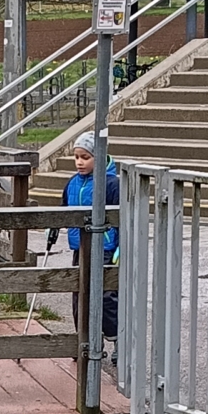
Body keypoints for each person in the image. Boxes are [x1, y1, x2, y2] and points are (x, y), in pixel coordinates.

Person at [63, 135, 119, 341]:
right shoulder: (72, 183)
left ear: (99, 156)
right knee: (79, 290)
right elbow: (63, 208)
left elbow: (120, 217)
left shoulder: (112, 184)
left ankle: (114, 334)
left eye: (85, 157)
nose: (79, 162)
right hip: (79, 246)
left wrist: (121, 246)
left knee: (106, 293)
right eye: (76, 157)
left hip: (104, 247)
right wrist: (54, 227)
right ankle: (82, 339)